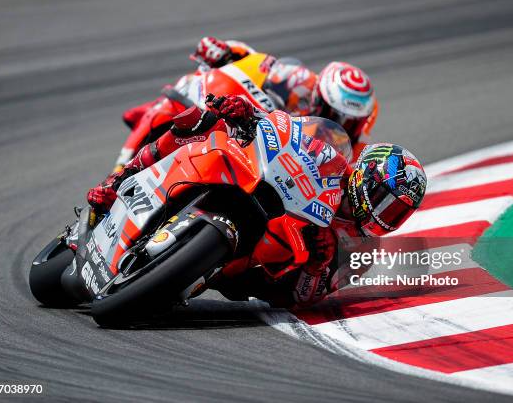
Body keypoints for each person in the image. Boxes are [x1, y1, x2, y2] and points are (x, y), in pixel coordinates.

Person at [87, 95, 426, 309]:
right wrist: (246, 113)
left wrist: (317, 266)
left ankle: (185, 272)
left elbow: (306, 300)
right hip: (266, 192)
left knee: (253, 287)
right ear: (366, 174)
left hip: (259, 271)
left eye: (395, 212)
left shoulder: (360, 253)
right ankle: (119, 179)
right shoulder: (333, 159)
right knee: (200, 123)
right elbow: (289, 130)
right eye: (384, 200)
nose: (383, 214)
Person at [121, 37, 378, 160]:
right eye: (336, 114)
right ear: (320, 96)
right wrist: (226, 51)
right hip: (241, 123)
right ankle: (122, 166)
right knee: (175, 99)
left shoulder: (349, 147)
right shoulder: (300, 82)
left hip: (263, 164)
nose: (341, 123)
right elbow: (259, 62)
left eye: (350, 120)